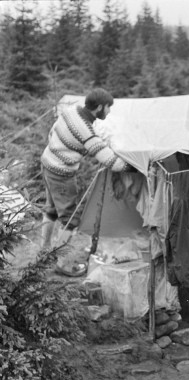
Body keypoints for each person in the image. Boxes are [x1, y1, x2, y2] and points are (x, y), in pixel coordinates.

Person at [40, 88, 127, 276]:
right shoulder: (85, 131)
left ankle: (44, 251)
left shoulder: (71, 111)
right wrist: (132, 165)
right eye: (108, 108)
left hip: (47, 162)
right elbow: (112, 162)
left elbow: (54, 133)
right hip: (61, 173)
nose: (109, 112)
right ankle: (61, 263)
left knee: (51, 211)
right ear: (100, 108)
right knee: (70, 220)